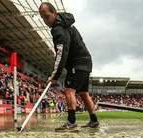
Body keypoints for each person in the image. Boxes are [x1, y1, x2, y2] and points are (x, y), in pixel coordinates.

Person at [39, 2, 99, 131]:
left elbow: (61, 54)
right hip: (86, 61)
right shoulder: (65, 23)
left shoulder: (59, 29)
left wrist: (55, 75)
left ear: (54, 13)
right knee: (83, 93)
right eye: (42, 17)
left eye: (47, 16)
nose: (45, 20)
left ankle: (71, 123)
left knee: (68, 90)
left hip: (77, 63)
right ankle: (94, 121)